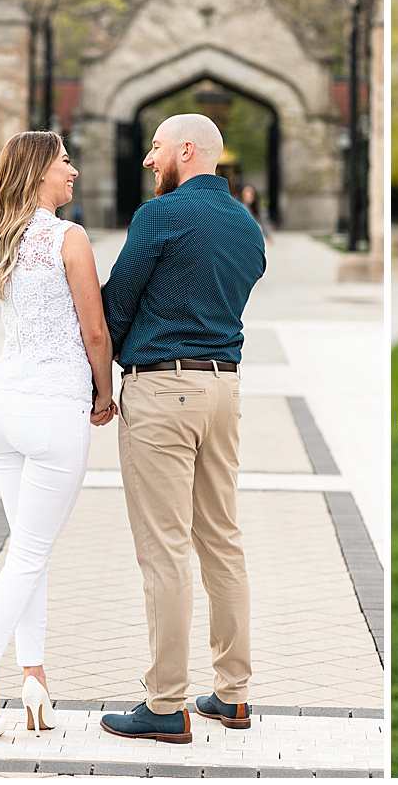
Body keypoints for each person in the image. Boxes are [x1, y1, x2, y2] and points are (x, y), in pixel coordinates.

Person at [98, 114, 268, 746]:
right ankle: (233, 696)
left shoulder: (160, 216)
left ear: (187, 151)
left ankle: (166, 704)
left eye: (157, 147)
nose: (149, 159)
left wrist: (99, 370)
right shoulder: (247, 226)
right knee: (221, 540)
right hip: (224, 388)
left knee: (165, 548)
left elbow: (117, 304)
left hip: (163, 388)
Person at [0, 132, 115, 742]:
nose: (73, 171)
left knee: (29, 547)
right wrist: (104, 393)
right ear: (42, 168)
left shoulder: (1, 235)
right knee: (31, 552)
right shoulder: (67, 239)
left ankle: (35, 678)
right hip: (53, 412)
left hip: (4, 408)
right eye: (66, 161)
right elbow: (95, 333)